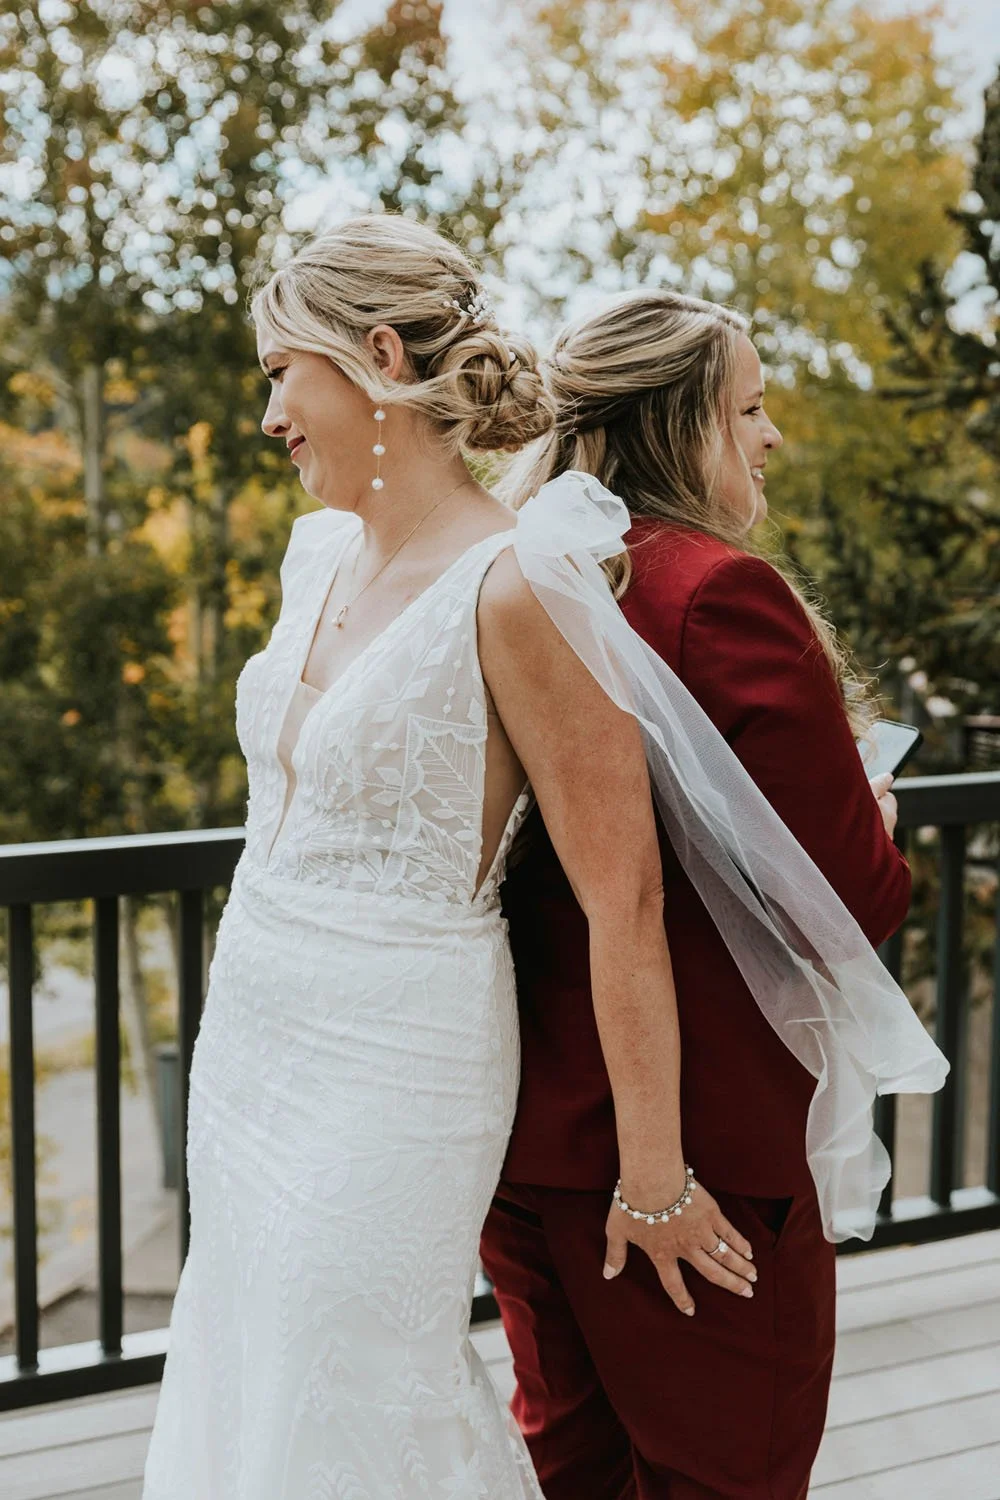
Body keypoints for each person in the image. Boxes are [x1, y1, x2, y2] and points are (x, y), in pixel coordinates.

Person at [140, 225, 762, 1500]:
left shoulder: (519, 584)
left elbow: (620, 895)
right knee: (247, 1352)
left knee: (353, 1366)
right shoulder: (314, 554)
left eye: (281, 373)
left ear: (377, 358)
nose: (268, 415)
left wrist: (652, 1179)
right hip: (254, 1038)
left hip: (399, 1060)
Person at [480, 289, 944, 1500]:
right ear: (680, 424)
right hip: (695, 1157)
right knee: (728, 1477)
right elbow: (852, 901)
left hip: (527, 1142)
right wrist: (873, 815)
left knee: (576, 1472)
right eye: (747, 407)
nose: (770, 435)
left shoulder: (514, 575)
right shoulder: (717, 593)